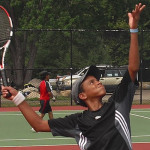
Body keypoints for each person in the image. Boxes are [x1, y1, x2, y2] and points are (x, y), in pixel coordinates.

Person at [1, 3, 145, 150]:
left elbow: (132, 68)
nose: (98, 82)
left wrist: (133, 29)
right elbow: (38, 125)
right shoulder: (77, 122)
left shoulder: (117, 105)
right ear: (82, 95)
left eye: (97, 80)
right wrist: (17, 97)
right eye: (91, 82)